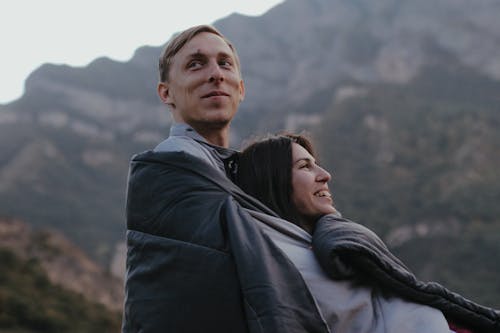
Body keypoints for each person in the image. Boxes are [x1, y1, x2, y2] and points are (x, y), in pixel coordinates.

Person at [123, 25, 332, 333]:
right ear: (166, 93)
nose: (215, 74)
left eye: (224, 63)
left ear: (241, 88)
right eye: (196, 64)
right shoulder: (168, 170)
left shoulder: (240, 174)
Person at [235, 133, 500, 333]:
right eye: (305, 166)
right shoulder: (278, 260)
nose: (325, 175)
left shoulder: (313, 244)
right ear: (272, 180)